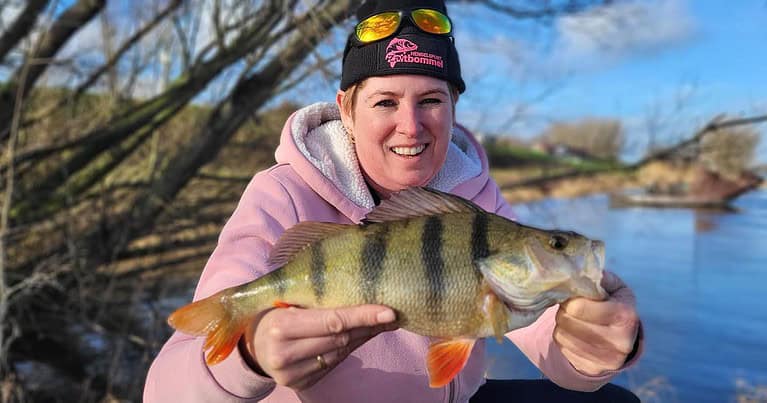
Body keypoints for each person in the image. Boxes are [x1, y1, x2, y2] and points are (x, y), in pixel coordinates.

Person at [144, 0, 643, 401]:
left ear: (453, 107)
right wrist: (250, 357)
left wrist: (597, 347)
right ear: (347, 108)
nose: (411, 126)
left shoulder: (474, 196)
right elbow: (165, 392)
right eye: (386, 102)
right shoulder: (282, 194)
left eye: (431, 100)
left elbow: (544, 337)